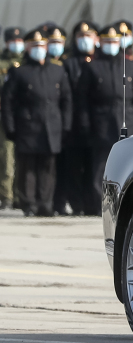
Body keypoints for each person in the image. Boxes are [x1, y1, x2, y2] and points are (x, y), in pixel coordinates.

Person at [75, 25, 133, 215]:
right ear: (101, 42)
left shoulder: (130, 65)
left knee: (128, 167)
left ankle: (126, 204)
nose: (111, 45)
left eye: (114, 41)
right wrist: (85, 123)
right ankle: (101, 204)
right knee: (101, 166)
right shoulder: (92, 66)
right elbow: (82, 99)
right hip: (102, 122)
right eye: (108, 41)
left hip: (127, 121)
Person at [1, 30, 72, 216]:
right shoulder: (19, 72)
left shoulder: (57, 70)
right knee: (28, 167)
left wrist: (66, 125)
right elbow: (8, 102)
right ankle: (29, 203)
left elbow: (66, 100)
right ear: (27, 48)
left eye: (41, 46)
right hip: (27, 126)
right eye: (34, 46)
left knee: (48, 168)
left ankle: (45, 203)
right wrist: (10, 127)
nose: (39, 49)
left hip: (51, 127)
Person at [61, 20, 98, 214]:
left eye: (88, 36)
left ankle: (92, 204)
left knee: (93, 167)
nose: (85, 40)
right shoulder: (68, 63)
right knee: (74, 166)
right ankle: (76, 204)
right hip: (75, 122)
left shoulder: (101, 61)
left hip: (96, 122)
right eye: (81, 36)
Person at [0, 26, 23, 210]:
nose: (16, 43)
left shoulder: (27, 61)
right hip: (5, 115)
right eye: (13, 40)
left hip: (24, 116)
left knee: (23, 158)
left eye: (19, 40)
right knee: (7, 157)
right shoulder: (2, 62)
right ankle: (7, 195)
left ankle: (20, 195)